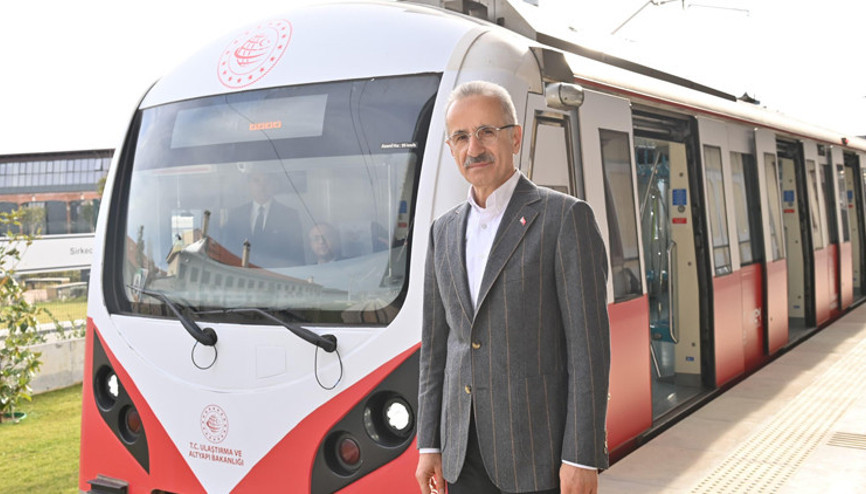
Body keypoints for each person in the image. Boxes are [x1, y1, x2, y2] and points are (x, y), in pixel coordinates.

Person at [415, 81, 611, 494]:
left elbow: (588, 351)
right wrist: (429, 443)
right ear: (450, 148)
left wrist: (581, 455)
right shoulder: (442, 232)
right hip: (461, 455)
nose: (474, 148)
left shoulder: (564, 219)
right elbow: (435, 351)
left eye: (487, 131)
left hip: (539, 456)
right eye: (461, 137)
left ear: (515, 137)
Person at [221, 168, 304, 267]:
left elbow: (296, 256)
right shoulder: (236, 214)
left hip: (277, 276)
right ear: (249, 185)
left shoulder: (289, 215)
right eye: (256, 181)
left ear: (274, 185)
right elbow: (228, 249)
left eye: (267, 181)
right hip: (241, 275)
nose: (262, 186)